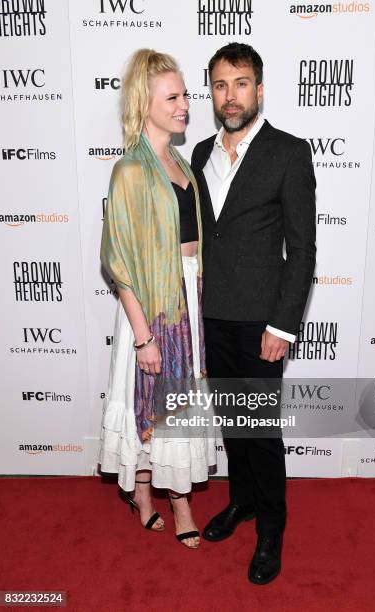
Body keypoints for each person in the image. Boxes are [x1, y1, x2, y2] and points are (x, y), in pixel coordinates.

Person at [191, 43, 316, 582]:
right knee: (232, 422)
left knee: (260, 428)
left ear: (259, 89)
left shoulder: (289, 152)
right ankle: (241, 501)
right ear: (212, 94)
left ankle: (272, 528)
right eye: (220, 85)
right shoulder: (199, 153)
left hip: (262, 321)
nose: (231, 95)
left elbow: (303, 248)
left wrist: (283, 324)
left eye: (241, 83)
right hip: (212, 316)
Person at [99, 49, 216, 549]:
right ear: (145, 103)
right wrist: (145, 337)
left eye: (185, 94)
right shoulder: (129, 171)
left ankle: (179, 496)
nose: (185, 104)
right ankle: (149, 497)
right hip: (151, 309)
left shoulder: (182, 164)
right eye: (172, 96)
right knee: (149, 403)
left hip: (186, 297)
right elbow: (119, 265)